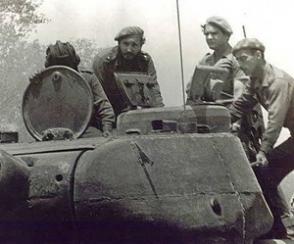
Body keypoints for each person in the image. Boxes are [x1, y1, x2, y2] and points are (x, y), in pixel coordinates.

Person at [230, 38, 294, 239]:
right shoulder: (256, 80)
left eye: (244, 58)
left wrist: (264, 151)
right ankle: (276, 229)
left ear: (258, 55)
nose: (241, 64)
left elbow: (275, 121)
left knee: (266, 170)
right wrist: (224, 119)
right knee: (265, 174)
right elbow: (242, 103)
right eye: (238, 60)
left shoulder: (278, 82)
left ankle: (277, 228)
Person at [44, 40, 115, 137]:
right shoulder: (44, 82)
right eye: (57, 64)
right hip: (52, 132)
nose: (62, 68)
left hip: (83, 130)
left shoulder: (87, 78)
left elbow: (103, 105)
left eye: (66, 63)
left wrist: (107, 128)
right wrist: (36, 84)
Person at [92, 26, 164, 116]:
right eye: (125, 44)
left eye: (134, 45)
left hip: (134, 109)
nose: (129, 49)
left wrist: (161, 113)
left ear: (141, 45)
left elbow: (153, 89)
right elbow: (97, 93)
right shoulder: (104, 61)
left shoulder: (145, 61)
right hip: (108, 107)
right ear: (119, 44)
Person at [186, 16, 245, 103]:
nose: (209, 37)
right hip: (210, 112)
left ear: (226, 36)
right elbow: (190, 91)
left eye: (214, 34)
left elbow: (240, 98)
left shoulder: (237, 60)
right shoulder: (205, 61)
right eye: (206, 34)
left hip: (231, 113)